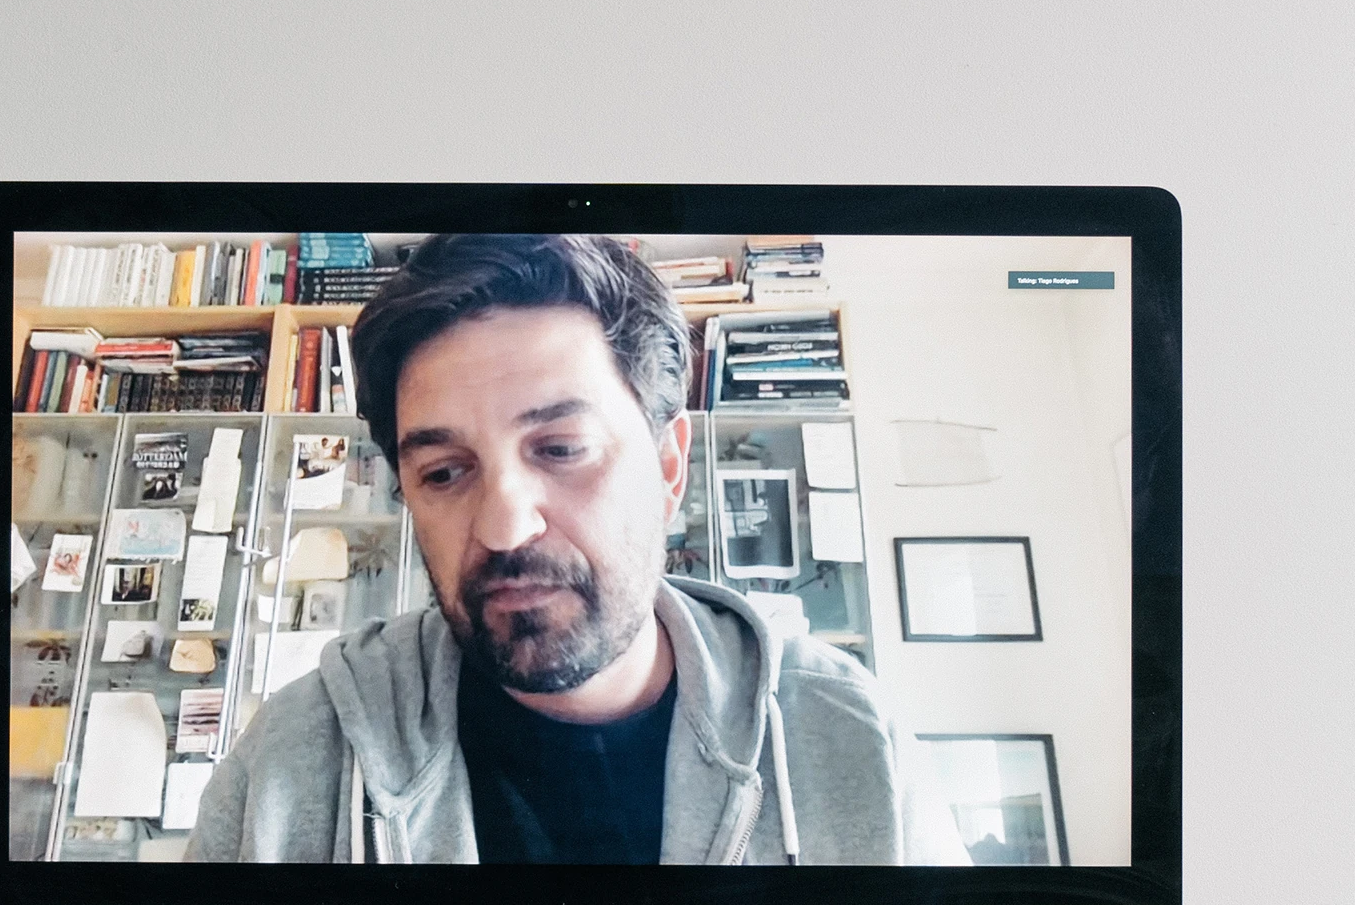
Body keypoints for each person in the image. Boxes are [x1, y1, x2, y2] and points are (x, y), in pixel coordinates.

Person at [186, 233, 968, 866]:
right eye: (445, 471)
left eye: (561, 449)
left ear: (668, 466)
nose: (503, 527)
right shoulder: (290, 762)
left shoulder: (850, 737)